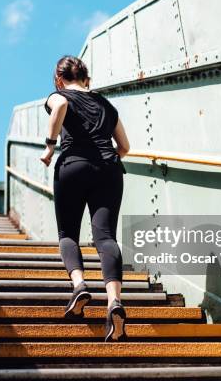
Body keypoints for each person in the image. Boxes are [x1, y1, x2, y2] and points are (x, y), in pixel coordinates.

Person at [40, 55, 131, 342]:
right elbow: (125, 147)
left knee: (68, 234)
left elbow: (61, 106)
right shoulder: (107, 105)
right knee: (106, 238)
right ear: (86, 78)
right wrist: (104, 158)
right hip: (108, 168)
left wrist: (50, 148)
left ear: (59, 78)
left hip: (72, 166)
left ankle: (79, 285)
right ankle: (114, 302)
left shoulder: (58, 95)